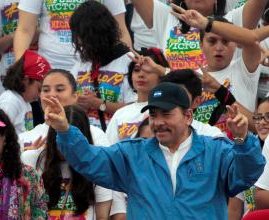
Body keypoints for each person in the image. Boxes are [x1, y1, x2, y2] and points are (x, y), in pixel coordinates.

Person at [43, 82, 265, 219]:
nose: (158, 122)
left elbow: (246, 175)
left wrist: (242, 139)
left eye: (166, 114)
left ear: (188, 116)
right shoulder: (132, 155)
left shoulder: (215, 151)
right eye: (153, 115)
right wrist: (65, 130)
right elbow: (89, 160)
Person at [22, 105, 112, 219]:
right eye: (62, 138)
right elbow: (24, 210)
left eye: (72, 141)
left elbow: (102, 217)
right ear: (53, 136)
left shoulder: (97, 165)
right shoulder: (31, 160)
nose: (66, 147)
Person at [130, 0, 267, 69]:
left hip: (225, 112)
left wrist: (207, 23)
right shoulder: (166, 17)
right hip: (179, 111)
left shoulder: (233, 20)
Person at [69, 1, 135, 131]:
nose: (78, 41)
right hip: (87, 138)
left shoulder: (128, 62)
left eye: (82, 36)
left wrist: (100, 104)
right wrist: (77, 103)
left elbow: (136, 108)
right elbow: (68, 101)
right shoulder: (81, 64)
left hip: (116, 138)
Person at [14, 0, 131, 71]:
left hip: (97, 67)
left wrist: (128, 62)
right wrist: (20, 66)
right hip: (50, 67)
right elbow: (25, 30)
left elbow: (120, 30)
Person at [106, 47, 169, 143]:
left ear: (160, 75)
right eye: (136, 70)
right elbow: (110, 149)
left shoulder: (170, 109)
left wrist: (157, 68)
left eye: (148, 71)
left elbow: (184, 83)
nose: (141, 75)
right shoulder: (120, 114)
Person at [0, 50, 51, 134]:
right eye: (39, 89)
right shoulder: (10, 101)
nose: (40, 95)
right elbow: (0, 133)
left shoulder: (26, 103)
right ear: (25, 80)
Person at [160, 69, 223, 137]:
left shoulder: (212, 135)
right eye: (167, 95)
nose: (171, 101)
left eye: (179, 95)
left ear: (196, 101)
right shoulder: (153, 131)